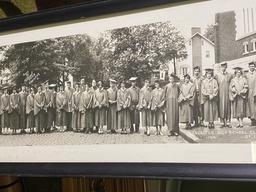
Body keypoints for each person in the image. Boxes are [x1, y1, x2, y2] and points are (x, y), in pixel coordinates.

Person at [215, 62, 233, 128]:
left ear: (226, 67)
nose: (223, 68)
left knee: (228, 107)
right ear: (220, 67)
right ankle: (222, 122)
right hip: (220, 94)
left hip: (228, 93)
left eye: (224, 67)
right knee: (221, 107)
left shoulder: (230, 75)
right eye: (222, 67)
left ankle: (228, 122)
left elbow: (232, 83)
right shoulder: (217, 75)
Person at [245, 61, 256, 126]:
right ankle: (252, 121)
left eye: (253, 66)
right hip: (249, 93)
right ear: (249, 67)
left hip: (255, 91)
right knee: (250, 107)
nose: (252, 67)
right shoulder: (246, 75)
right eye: (251, 66)